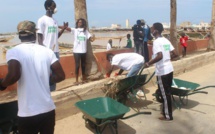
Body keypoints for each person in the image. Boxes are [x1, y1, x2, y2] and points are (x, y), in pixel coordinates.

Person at [0, 20, 65, 134]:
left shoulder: (14, 51)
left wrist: (2, 84)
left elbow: (14, 75)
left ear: (19, 35)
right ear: (34, 34)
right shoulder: (47, 51)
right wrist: (49, 80)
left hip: (28, 113)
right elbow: (61, 76)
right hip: (48, 109)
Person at [145, 22, 178, 121]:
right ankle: (166, 111)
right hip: (169, 69)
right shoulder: (165, 40)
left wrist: (148, 63)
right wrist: (167, 60)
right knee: (167, 92)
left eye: (152, 28)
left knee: (165, 94)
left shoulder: (157, 42)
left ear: (155, 31)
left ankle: (168, 115)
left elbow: (160, 56)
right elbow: (175, 53)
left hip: (162, 71)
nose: (151, 30)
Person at [37, 0, 68, 91]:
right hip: (46, 51)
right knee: (46, 72)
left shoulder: (55, 21)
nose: (55, 8)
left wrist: (63, 29)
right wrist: (43, 50)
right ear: (48, 7)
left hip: (56, 52)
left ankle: (52, 91)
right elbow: (39, 36)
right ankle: (45, 90)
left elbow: (55, 36)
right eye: (54, 6)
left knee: (55, 74)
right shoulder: (41, 20)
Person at [63, 18, 94, 85]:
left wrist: (92, 38)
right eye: (78, 22)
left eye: (81, 22)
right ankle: (76, 80)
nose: (79, 23)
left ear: (83, 23)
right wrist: (63, 27)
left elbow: (90, 38)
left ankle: (84, 78)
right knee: (77, 65)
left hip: (83, 51)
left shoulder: (86, 31)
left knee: (83, 65)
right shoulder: (75, 30)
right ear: (77, 23)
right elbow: (68, 29)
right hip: (76, 51)